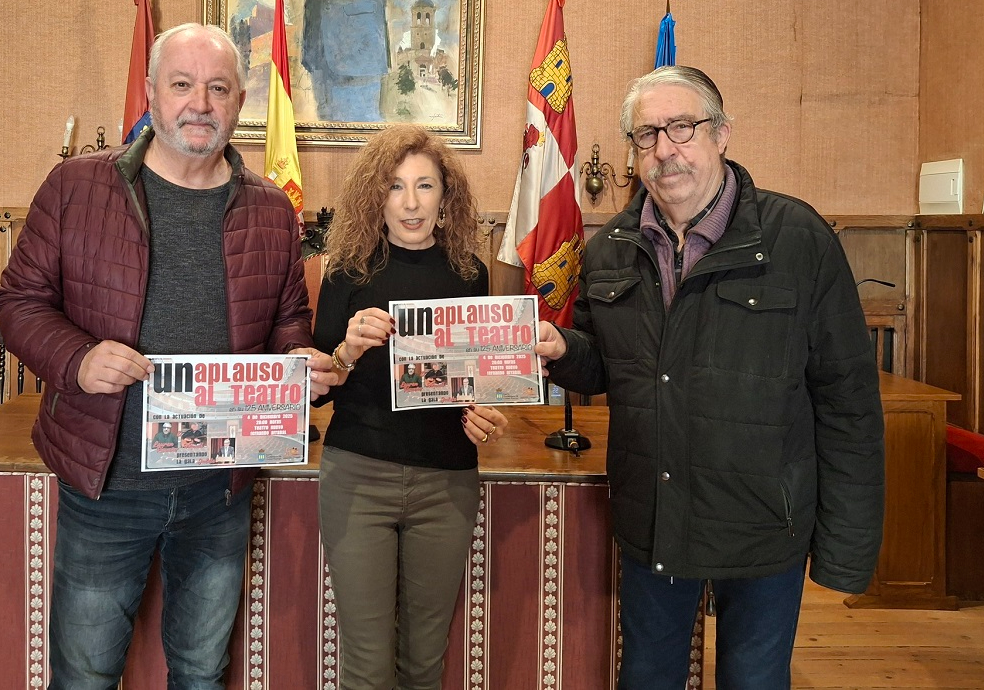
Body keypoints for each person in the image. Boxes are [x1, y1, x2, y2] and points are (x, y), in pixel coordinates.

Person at [0, 22, 338, 690]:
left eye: (217, 88)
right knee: (86, 675)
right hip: (106, 484)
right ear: (151, 93)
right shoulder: (75, 187)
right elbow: (18, 302)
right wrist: (78, 358)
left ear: (240, 102)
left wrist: (303, 365)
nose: (199, 103)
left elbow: (287, 324)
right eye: (182, 85)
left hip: (220, 489)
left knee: (202, 672)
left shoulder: (272, 210)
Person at [535, 65, 885, 690]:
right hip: (656, 518)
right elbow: (606, 366)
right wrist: (561, 346)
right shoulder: (612, 247)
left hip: (761, 524)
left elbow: (848, 403)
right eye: (646, 135)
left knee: (753, 680)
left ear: (722, 135)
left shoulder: (797, 240)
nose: (665, 149)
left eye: (683, 128)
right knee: (647, 677)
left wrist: (844, 551)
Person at [313, 124, 508, 689]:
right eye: (396, 187)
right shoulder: (347, 272)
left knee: (425, 662)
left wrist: (483, 413)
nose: (412, 202)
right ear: (378, 196)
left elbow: (478, 379)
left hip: (445, 482)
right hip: (358, 478)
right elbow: (322, 386)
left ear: (446, 199)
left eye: (425, 186)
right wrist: (346, 350)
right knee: (366, 665)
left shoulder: (472, 275)